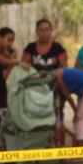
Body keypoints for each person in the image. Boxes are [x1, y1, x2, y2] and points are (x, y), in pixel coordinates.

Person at [21, 18, 68, 146]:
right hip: (35, 91)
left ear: (51, 31)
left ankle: (59, 146)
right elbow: (23, 67)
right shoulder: (30, 48)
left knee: (57, 116)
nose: (44, 33)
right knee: (37, 116)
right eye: (41, 30)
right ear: (37, 31)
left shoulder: (58, 48)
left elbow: (64, 68)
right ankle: (39, 145)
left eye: (47, 30)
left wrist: (52, 74)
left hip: (55, 88)